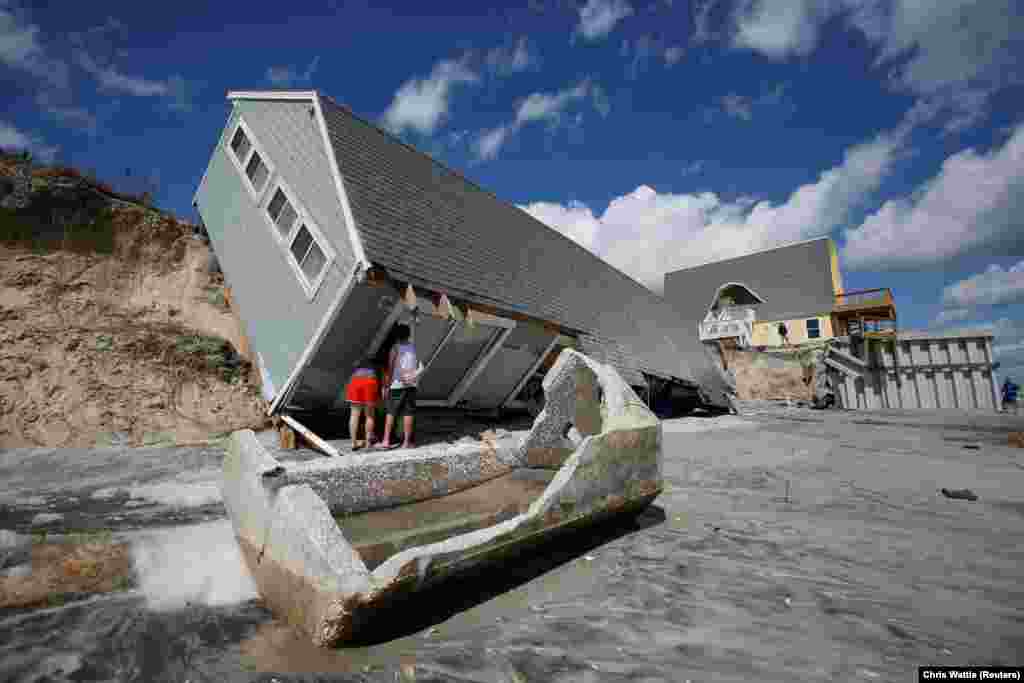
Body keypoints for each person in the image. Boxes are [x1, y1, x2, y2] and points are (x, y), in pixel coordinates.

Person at [380, 323, 422, 450]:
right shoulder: (412, 348)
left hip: (397, 385)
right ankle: (406, 443)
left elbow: (390, 368)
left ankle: (386, 441)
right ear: (408, 335)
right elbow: (417, 365)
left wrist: (385, 386)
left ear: (396, 335)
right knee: (408, 413)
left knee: (391, 412)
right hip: (411, 384)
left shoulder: (395, 348)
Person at [344, 355, 380, 451]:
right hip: (370, 381)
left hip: (356, 381)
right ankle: (368, 443)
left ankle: (353, 443)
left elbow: (352, 365)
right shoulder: (376, 359)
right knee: (369, 415)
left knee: (354, 415)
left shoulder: (358, 355)